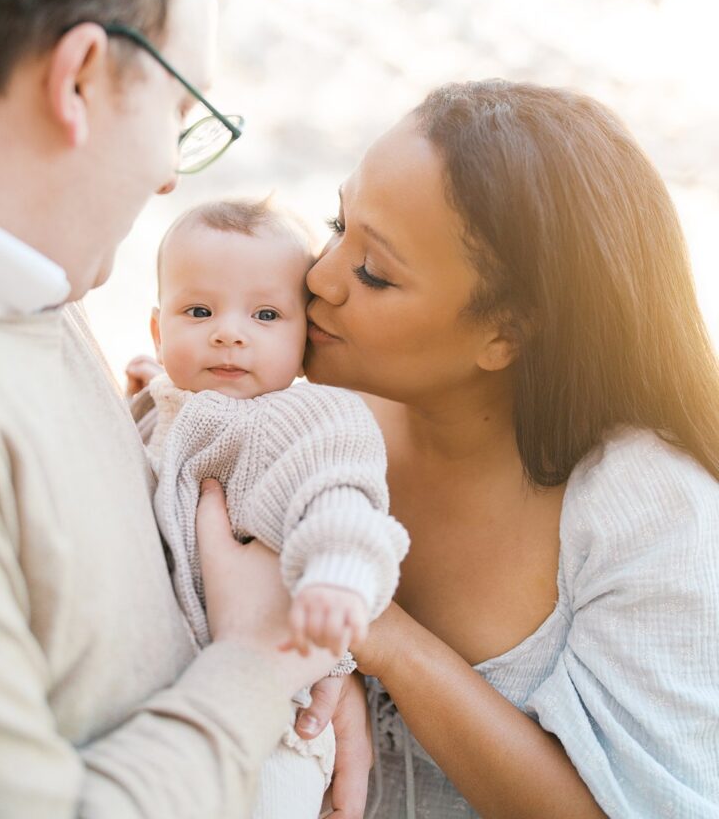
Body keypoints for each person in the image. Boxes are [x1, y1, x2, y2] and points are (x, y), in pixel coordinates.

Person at [0, 0, 370, 819]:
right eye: (182, 111)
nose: (172, 170)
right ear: (81, 78)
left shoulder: (43, 310)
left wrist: (310, 678)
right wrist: (260, 663)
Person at [292, 79, 719, 818]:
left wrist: (384, 635)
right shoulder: (310, 419)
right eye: (336, 222)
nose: (319, 277)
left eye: (374, 273)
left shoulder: (651, 509)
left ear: (508, 333)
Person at [136, 198, 408, 819]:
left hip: (282, 719)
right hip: (194, 708)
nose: (229, 332)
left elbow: (341, 498)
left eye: (265, 314)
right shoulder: (169, 403)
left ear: (305, 337)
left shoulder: (302, 419)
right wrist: (145, 393)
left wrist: (338, 576)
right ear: (159, 329)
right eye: (198, 311)